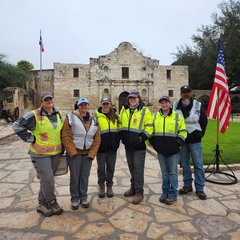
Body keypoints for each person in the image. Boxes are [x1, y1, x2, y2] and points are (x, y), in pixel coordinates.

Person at [12, 91, 64, 217]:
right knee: (48, 179)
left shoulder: (58, 114)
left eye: (50, 98)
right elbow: (16, 125)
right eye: (46, 99)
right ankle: (52, 202)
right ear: (42, 102)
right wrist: (31, 138)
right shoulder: (34, 114)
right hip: (40, 154)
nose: (49, 101)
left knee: (46, 180)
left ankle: (42, 204)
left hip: (55, 153)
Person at [61, 97, 101, 210]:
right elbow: (66, 136)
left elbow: (97, 138)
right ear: (78, 106)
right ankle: (74, 198)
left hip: (87, 153)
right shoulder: (70, 118)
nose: (84, 107)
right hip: (75, 153)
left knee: (84, 176)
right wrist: (72, 152)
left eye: (85, 105)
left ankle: (83, 197)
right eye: (81, 105)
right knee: (75, 176)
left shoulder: (94, 120)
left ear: (88, 106)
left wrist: (92, 154)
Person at [173, 85, 208, 200]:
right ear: (180, 94)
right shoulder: (175, 105)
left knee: (198, 164)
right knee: (185, 164)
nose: (186, 94)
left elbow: (203, 121)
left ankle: (200, 188)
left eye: (188, 92)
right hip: (182, 140)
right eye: (184, 92)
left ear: (191, 93)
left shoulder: (198, 105)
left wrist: (199, 134)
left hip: (195, 140)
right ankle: (187, 185)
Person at [150, 96, 187, 205]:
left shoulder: (177, 116)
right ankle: (164, 192)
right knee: (165, 173)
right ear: (160, 104)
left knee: (173, 173)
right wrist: (154, 144)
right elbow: (150, 130)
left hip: (173, 150)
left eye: (166, 102)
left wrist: (178, 143)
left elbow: (183, 131)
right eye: (162, 103)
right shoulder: (155, 116)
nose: (164, 104)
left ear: (170, 104)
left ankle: (172, 194)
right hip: (161, 150)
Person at [119, 90, 153, 204]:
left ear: (138, 99)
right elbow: (120, 124)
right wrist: (122, 136)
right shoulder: (124, 110)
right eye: (131, 98)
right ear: (128, 100)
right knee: (131, 168)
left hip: (139, 146)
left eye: (135, 98)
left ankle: (139, 192)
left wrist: (142, 138)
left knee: (138, 169)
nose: (133, 100)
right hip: (128, 146)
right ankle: (133, 188)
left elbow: (150, 126)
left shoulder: (145, 111)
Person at [96, 96, 120, 198]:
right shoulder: (96, 117)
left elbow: (119, 130)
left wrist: (117, 143)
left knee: (111, 168)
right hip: (101, 149)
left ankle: (109, 186)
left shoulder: (115, 116)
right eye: (104, 104)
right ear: (101, 105)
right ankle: (101, 186)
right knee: (101, 168)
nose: (105, 106)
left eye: (107, 104)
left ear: (110, 104)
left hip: (112, 148)